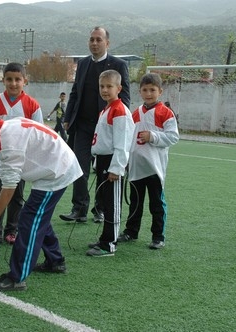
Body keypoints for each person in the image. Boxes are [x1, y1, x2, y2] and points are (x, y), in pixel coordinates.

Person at [0, 104, 82, 291]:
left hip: (58, 171)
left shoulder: (9, 142)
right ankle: (55, 261)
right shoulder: (7, 129)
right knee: (36, 217)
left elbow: (9, 187)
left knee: (29, 220)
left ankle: (16, 277)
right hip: (54, 168)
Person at [60, 26, 130, 223]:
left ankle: (100, 209)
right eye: (91, 39)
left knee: (103, 170)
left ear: (107, 43)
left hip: (105, 127)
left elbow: (124, 97)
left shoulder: (119, 64)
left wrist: (117, 120)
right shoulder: (82, 64)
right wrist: (67, 118)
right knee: (79, 167)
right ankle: (79, 208)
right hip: (82, 125)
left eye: (99, 39)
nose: (94, 43)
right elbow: (75, 92)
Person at [0, 62, 44, 247]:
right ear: (3, 80)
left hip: (20, 160)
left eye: (17, 79)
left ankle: (11, 231)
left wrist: (34, 156)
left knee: (16, 195)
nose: (13, 83)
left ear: (25, 81)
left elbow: (38, 132)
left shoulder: (32, 105)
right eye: (9, 79)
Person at [118, 73, 179, 249]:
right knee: (135, 202)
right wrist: (127, 158)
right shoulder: (135, 112)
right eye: (145, 90)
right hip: (137, 167)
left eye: (152, 90)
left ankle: (158, 236)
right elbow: (129, 137)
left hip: (154, 168)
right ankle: (131, 231)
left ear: (160, 91)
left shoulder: (165, 113)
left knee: (156, 203)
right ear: (140, 91)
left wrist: (152, 136)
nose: (148, 93)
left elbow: (173, 137)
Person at [86, 70, 134, 256]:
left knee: (113, 204)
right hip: (104, 161)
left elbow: (122, 143)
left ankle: (109, 244)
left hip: (113, 162)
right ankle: (105, 237)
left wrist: (116, 167)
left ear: (119, 88)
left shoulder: (119, 110)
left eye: (109, 86)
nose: (105, 90)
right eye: (102, 86)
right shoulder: (106, 109)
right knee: (105, 202)